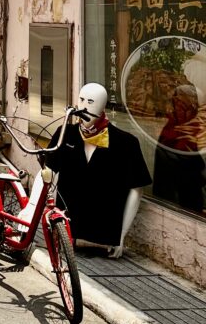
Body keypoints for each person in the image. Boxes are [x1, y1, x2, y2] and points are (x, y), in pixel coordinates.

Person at [44, 82, 151, 257]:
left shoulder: (125, 143)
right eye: (81, 100)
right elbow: (47, 174)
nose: (84, 106)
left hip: (105, 236)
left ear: (102, 106)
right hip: (68, 233)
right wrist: (33, 211)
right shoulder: (65, 134)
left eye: (91, 101)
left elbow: (137, 190)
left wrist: (121, 235)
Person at [153, 83, 206, 214]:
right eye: (177, 104)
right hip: (170, 198)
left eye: (183, 105)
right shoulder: (171, 128)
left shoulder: (195, 128)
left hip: (189, 195)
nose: (177, 108)